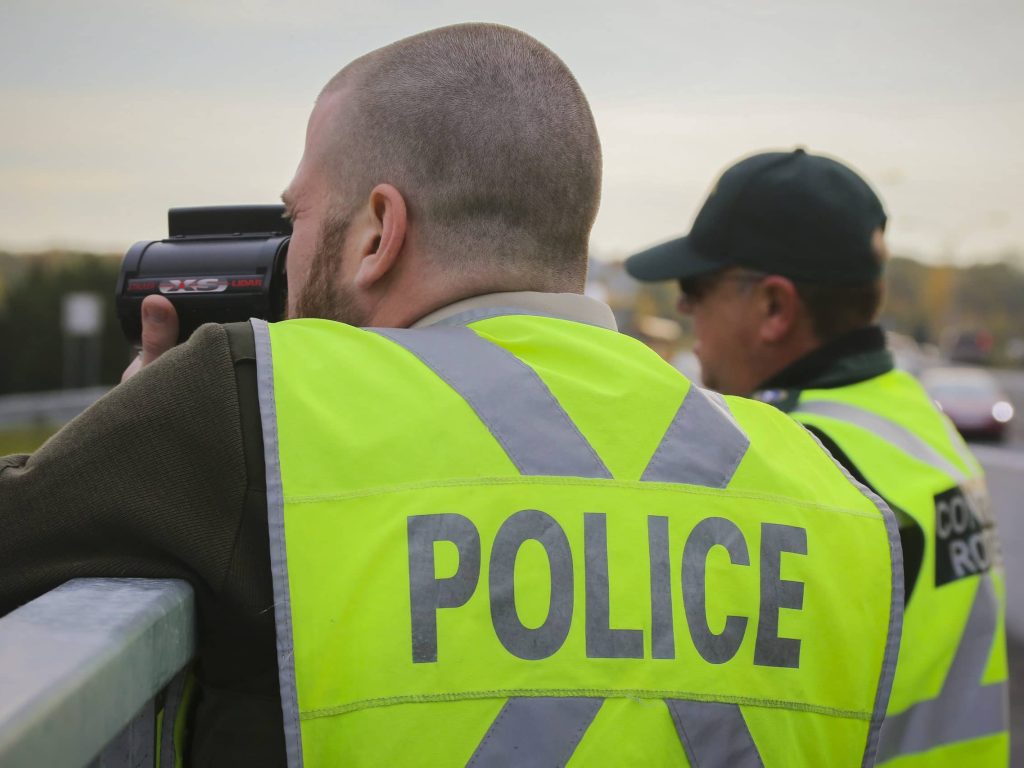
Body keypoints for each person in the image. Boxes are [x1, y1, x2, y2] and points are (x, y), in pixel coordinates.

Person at [1, 29, 903, 767]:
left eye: (300, 216)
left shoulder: (258, 400)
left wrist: (131, 416)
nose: (282, 248)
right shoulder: (832, 493)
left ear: (379, 232)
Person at [626, 147, 1009, 766]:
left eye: (696, 286)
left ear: (774, 307)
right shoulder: (909, 418)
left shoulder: (795, 473)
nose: (685, 307)